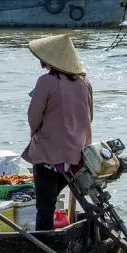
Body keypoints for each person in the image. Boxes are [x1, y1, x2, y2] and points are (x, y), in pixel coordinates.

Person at [22, 34, 93, 231]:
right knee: (66, 198)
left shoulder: (46, 81)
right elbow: (90, 116)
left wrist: (36, 134)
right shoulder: (84, 82)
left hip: (49, 155)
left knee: (45, 208)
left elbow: (33, 116)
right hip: (77, 155)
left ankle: (45, 246)